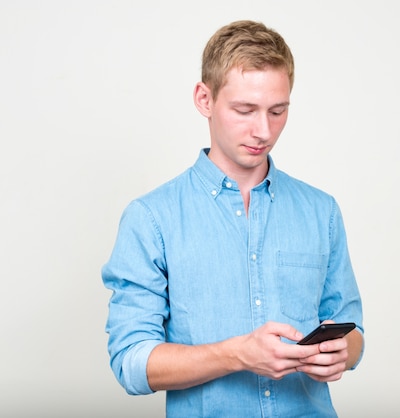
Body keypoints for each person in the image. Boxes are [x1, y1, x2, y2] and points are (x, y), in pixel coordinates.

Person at [102, 20, 364, 417]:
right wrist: (237, 355)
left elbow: (353, 331)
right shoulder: (152, 218)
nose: (263, 130)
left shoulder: (320, 210)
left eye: (278, 111)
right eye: (245, 110)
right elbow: (132, 362)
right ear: (204, 99)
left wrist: (341, 353)